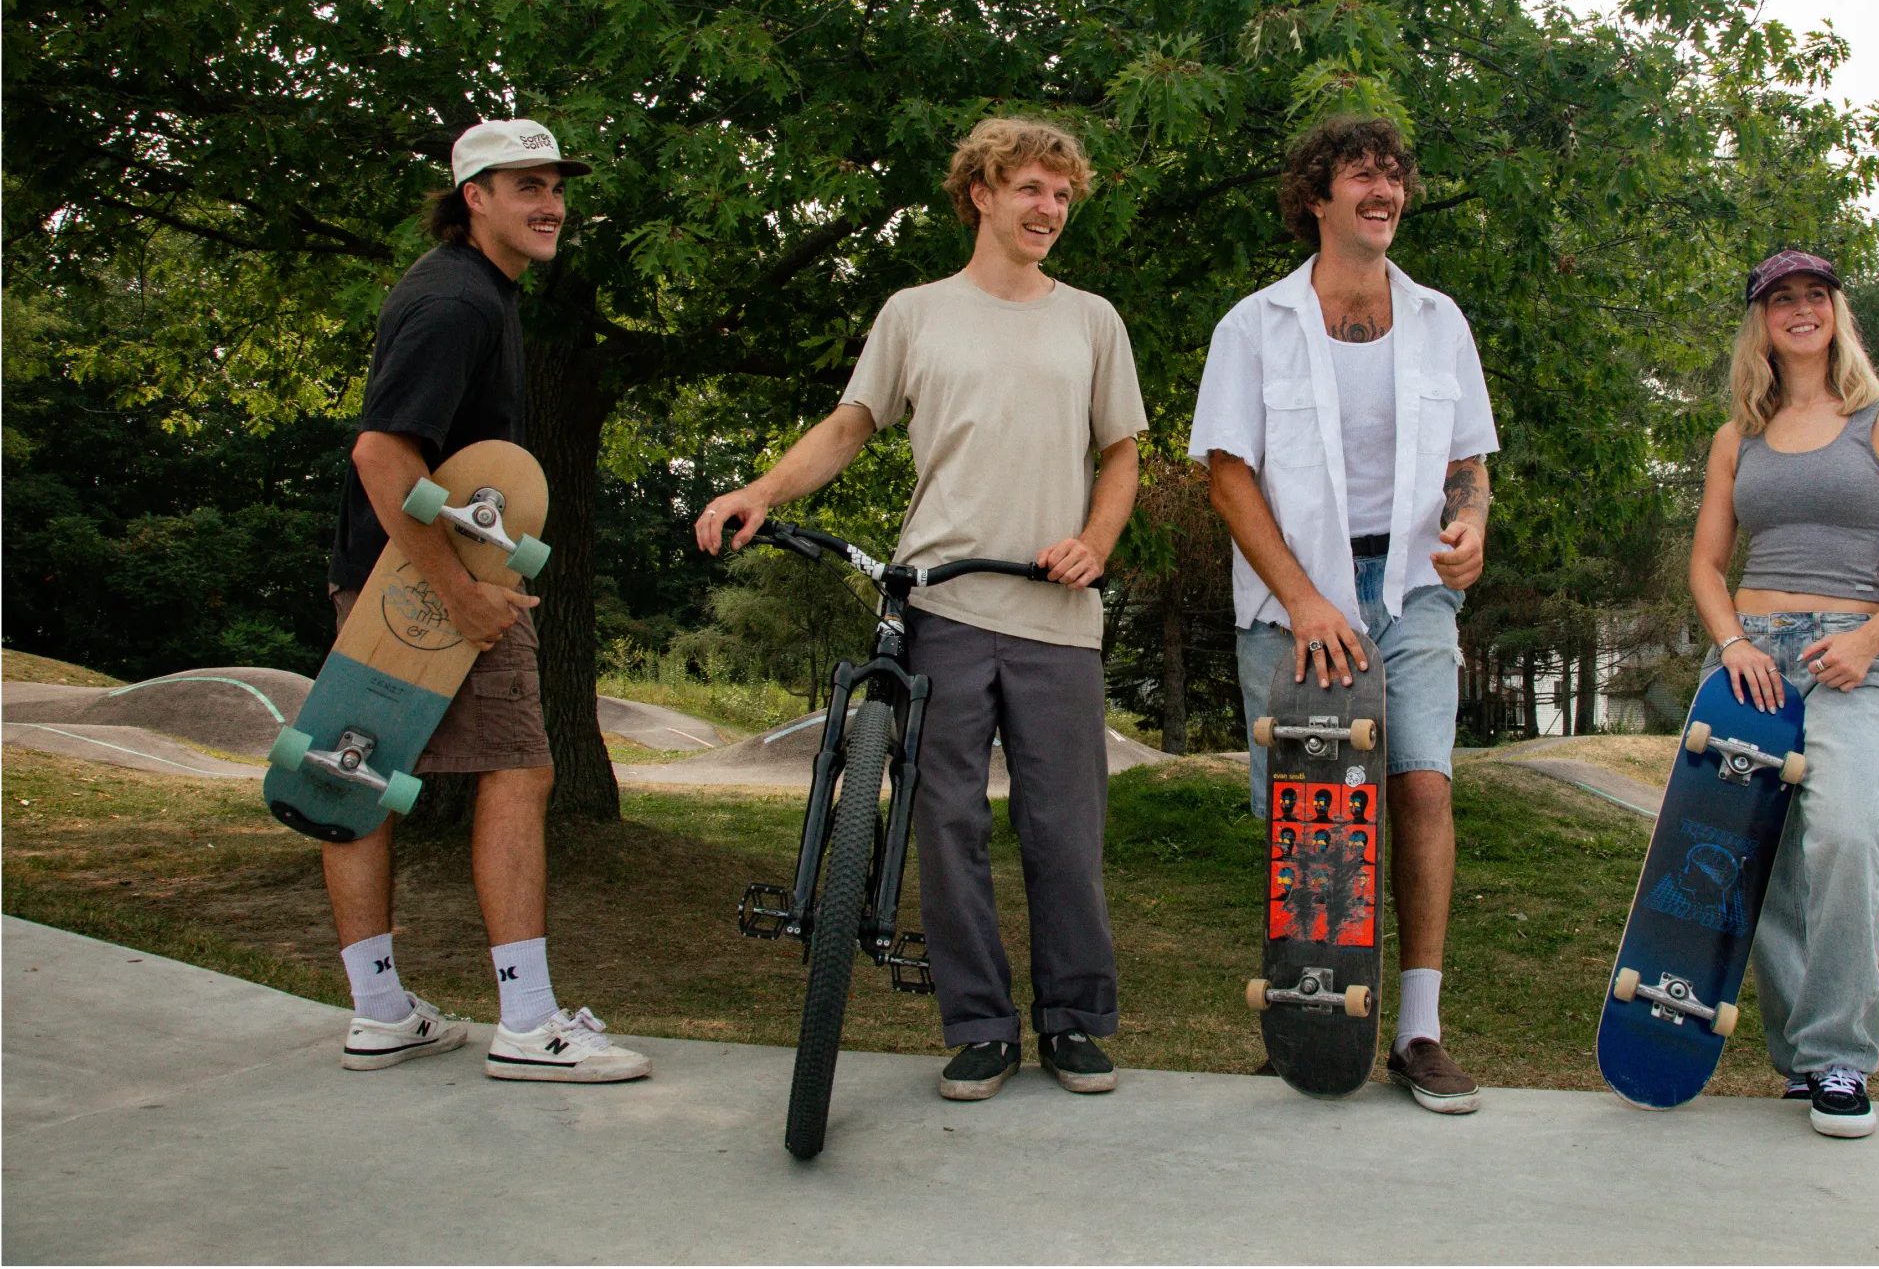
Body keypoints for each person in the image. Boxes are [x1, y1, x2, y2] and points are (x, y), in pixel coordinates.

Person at [696, 117, 1145, 1102]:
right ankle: (979, 1025)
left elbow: (1121, 452)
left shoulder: (1091, 320)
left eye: (1063, 195)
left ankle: (1074, 1020)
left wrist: (1097, 542)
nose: (1049, 208)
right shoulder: (914, 313)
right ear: (978, 193)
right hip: (939, 604)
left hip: (1055, 615)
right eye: (1030, 188)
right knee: (943, 824)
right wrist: (762, 491)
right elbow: (853, 423)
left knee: (1064, 827)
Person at [324, 119, 650, 1082]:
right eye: (525, 186)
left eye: (555, 185)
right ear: (475, 196)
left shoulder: (471, 292)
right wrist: (461, 592)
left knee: (356, 777)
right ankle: (530, 1024)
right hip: (429, 582)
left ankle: (382, 1014)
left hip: (391, 577)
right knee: (520, 771)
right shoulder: (457, 304)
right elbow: (383, 454)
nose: (551, 203)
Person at [1188, 115, 1499, 1114]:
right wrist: (1307, 599)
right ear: (1315, 199)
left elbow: (1468, 467)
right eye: (1361, 174)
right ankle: (1313, 1011)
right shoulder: (1254, 325)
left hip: (1409, 592)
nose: (1385, 189)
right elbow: (1229, 478)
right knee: (1309, 813)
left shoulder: (1440, 319)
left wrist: (1472, 527)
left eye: (1395, 176)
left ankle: (1417, 1030)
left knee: (1420, 790)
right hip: (1294, 598)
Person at [1689, 249, 1879, 1139]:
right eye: (1780, 300)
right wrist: (1729, 645)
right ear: (1760, 322)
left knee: (1845, 834)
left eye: (1814, 296)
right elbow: (1704, 564)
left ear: (1835, 313)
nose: (1799, 311)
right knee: (1761, 862)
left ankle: (1842, 1055)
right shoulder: (1739, 438)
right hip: (1749, 661)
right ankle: (1802, 1063)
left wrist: (1869, 639)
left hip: (1849, 659)